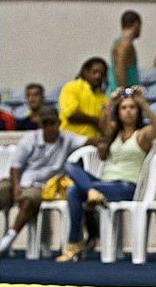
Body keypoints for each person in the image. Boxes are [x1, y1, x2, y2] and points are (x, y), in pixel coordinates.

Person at [55, 86, 156, 262]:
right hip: (104, 184)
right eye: (124, 107)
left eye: (132, 107)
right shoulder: (114, 133)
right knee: (70, 167)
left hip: (126, 186)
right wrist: (112, 102)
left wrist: (143, 103)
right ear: (119, 112)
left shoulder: (142, 135)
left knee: (75, 190)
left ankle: (74, 244)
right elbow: (103, 124)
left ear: (138, 111)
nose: (128, 111)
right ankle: (75, 242)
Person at [0, 107, 97, 256]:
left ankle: (7, 240)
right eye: (45, 123)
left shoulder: (67, 138)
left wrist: (101, 144)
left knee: (29, 200)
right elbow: (16, 167)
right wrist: (16, 187)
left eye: (52, 123)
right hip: (19, 178)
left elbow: (90, 141)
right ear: (40, 124)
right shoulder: (29, 139)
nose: (49, 127)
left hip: (43, 185)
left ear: (59, 123)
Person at [59, 57, 110, 139]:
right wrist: (96, 121)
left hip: (94, 142)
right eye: (95, 72)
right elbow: (71, 115)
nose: (98, 76)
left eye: (102, 74)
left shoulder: (104, 98)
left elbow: (105, 124)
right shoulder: (72, 87)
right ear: (85, 72)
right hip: (70, 141)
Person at [107, 10, 142, 93]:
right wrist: (126, 93)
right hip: (122, 93)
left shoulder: (118, 42)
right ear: (136, 24)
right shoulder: (125, 45)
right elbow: (120, 70)